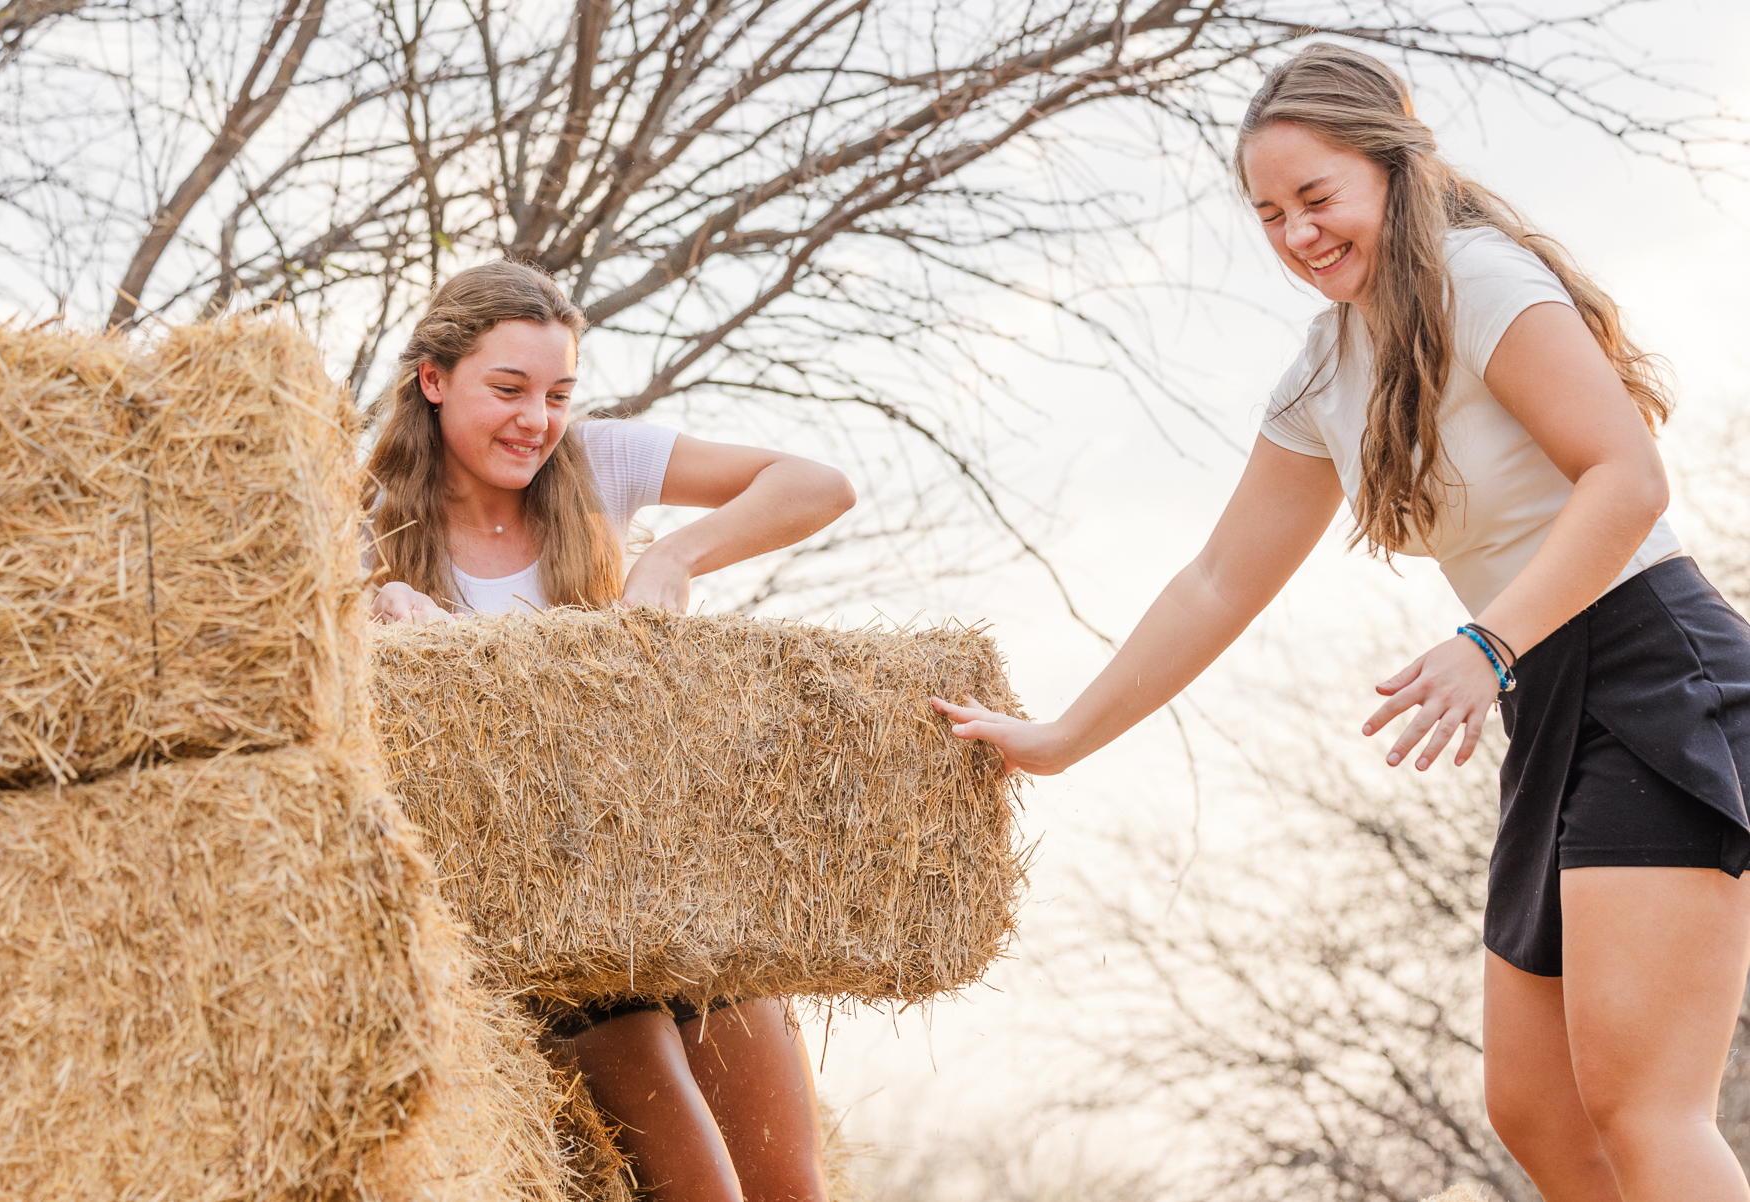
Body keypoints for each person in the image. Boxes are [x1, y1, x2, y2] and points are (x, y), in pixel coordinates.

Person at [934, 44, 1750, 1202]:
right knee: (1535, 1111)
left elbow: (1626, 479)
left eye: (1317, 198)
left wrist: (1486, 643)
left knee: (1638, 1101)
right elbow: (1218, 579)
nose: (1297, 235)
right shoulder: (1326, 370)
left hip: (1654, 667)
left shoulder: (1484, 279)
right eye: (1269, 214)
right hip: (1550, 695)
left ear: (1392, 167)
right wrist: (1060, 736)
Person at [366, 259, 855, 1202]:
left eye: (556, 393)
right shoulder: (370, 529)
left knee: (790, 1188)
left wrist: (677, 551)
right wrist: (380, 622)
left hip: (672, 886)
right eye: (506, 389)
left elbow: (819, 485)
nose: (535, 420)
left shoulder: (598, 464)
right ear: (433, 380)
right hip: (551, 931)